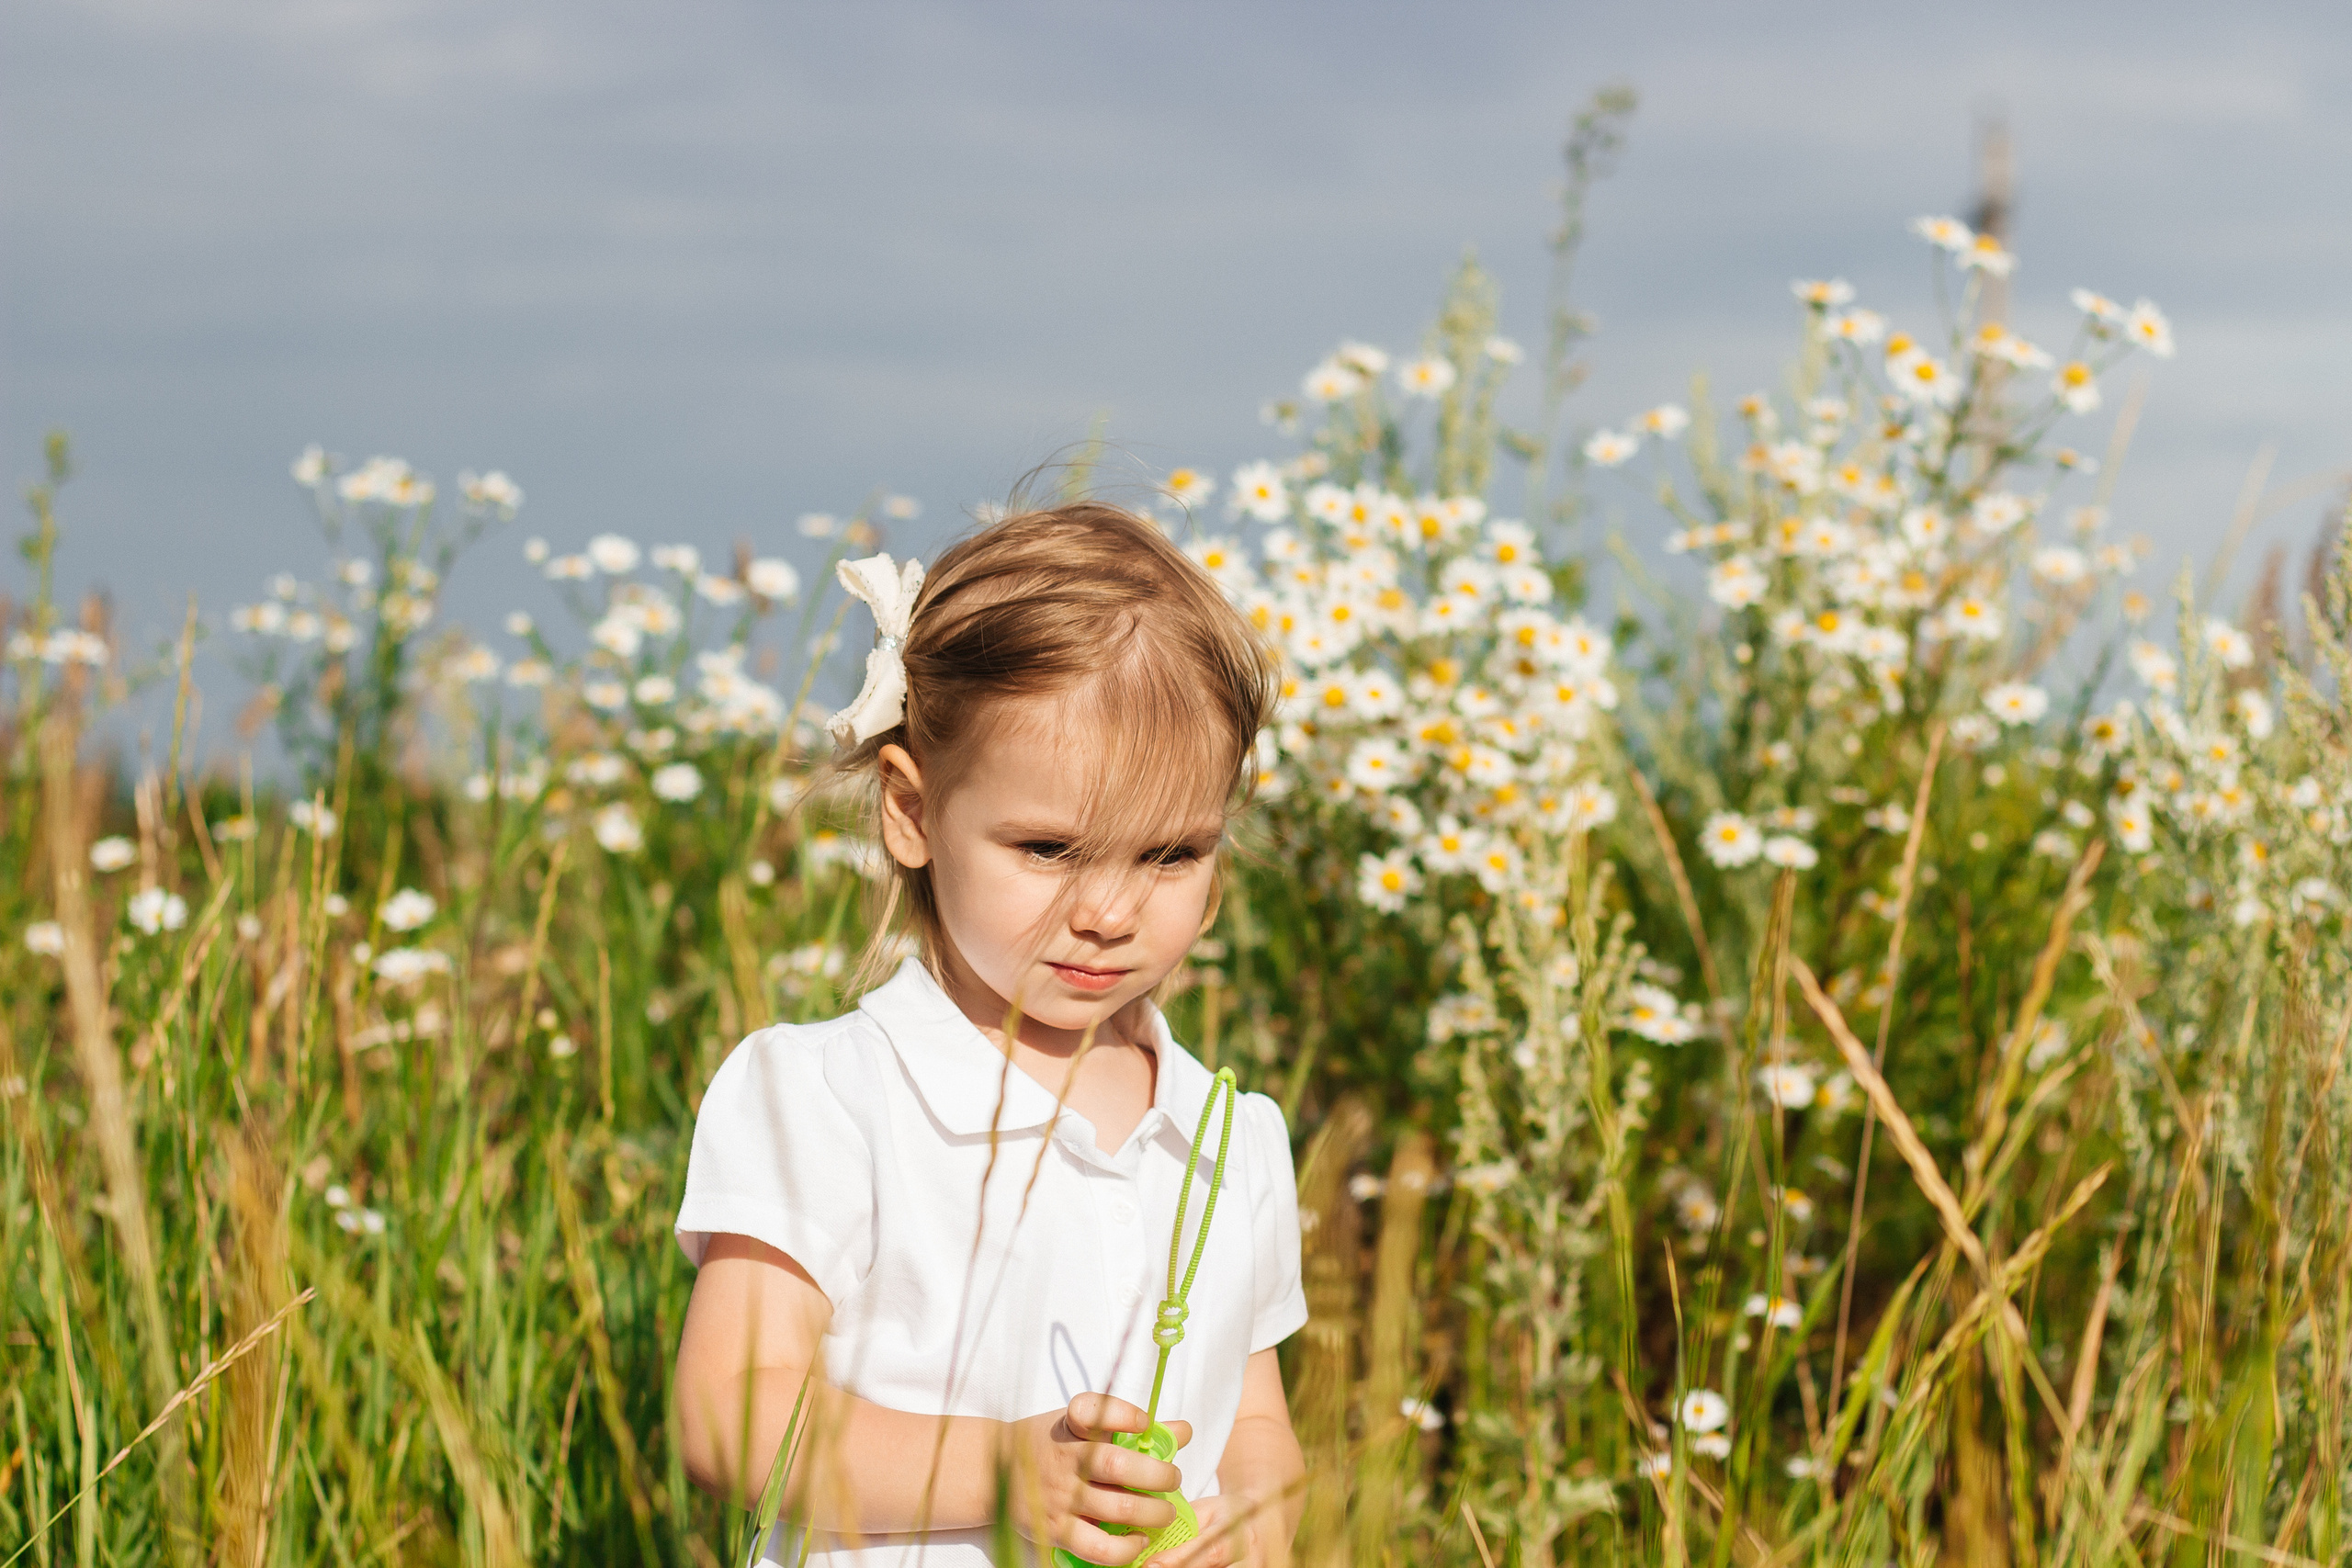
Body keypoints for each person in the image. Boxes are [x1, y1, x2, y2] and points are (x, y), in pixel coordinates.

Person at [672, 502, 1307, 1568]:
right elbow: (728, 1409)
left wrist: (1260, 1516)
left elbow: (1250, 1419)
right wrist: (999, 1471)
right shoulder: (827, 1095)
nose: (1110, 910)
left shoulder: (1228, 1136)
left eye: (1170, 855)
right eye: (1050, 848)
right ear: (911, 813)